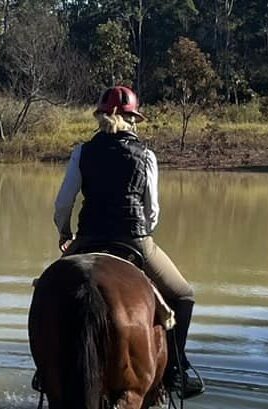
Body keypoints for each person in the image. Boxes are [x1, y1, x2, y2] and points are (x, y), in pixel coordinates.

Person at [53, 86, 205, 399]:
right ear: (133, 119)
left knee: (51, 291)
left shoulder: (82, 151)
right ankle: (176, 368)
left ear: (99, 117)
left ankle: (46, 370)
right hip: (133, 239)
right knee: (184, 295)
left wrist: (65, 233)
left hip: (89, 237)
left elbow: (64, 202)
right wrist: (141, 232)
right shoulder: (146, 156)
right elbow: (152, 212)